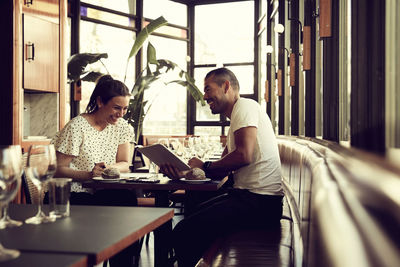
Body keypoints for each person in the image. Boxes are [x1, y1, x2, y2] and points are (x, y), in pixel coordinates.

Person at [160, 67, 284, 267]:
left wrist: (205, 166)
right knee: (193, 213)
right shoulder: (237, 116)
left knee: (184, 232)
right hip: (252, 199)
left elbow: (244, 155)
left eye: (208, 89)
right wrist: (185, 171)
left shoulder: (245, 106)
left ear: (226, 86)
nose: (204, 96)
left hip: (260, 203)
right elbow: (225, 163)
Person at [52, 74, 139, 266]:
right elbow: (57, 169)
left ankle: (126, 262)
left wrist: (109, 169)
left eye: (125, 108)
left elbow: (125, 162)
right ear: (100, 102)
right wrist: (89, 174)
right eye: (117, 107)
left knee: (126, 201)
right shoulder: (77, 126)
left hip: (107, 190)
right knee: (123, 203)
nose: (121, 113)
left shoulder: (122, 127)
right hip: (76, 194)